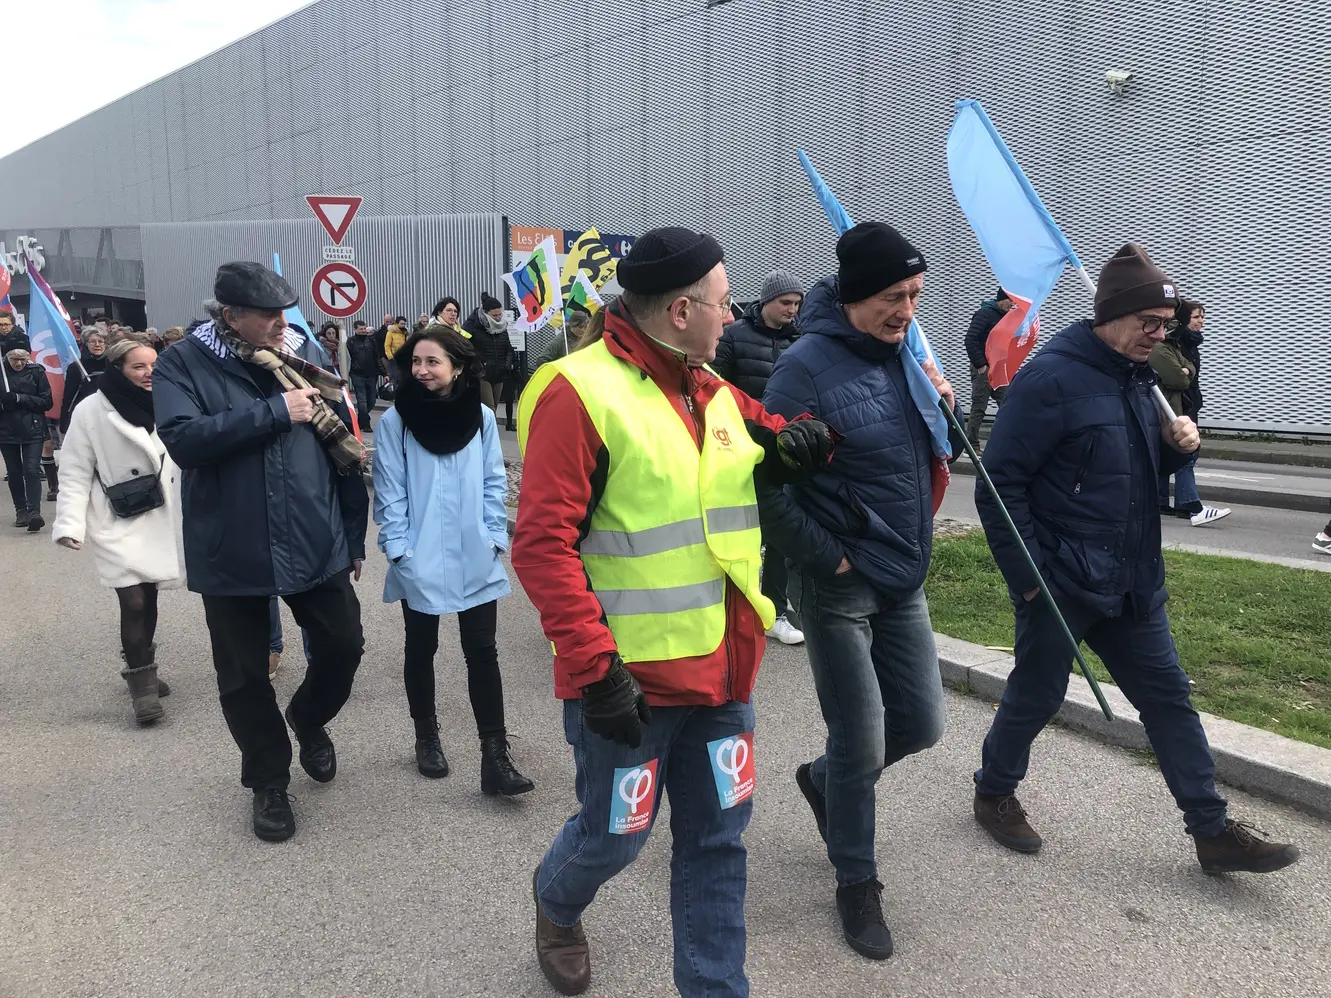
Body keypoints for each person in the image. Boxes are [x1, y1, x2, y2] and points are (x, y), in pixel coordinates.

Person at [513, 227, 833, 998]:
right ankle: (557, 905)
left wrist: (800, 443)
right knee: (615, 838)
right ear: (683, 309)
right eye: (725, 306)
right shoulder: (576, 391)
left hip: (725, 676)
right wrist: (595, 670)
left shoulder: (710, 387)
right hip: (626, 686)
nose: (735, 318)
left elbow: (765, 433)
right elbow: (540, 546)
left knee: (719, 844)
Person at [972, 243, 1299, 875]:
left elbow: (1132, 473)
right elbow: (998, 485)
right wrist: (1031, 580)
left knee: (1169, 699)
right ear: (1111, 315)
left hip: (1132, 581)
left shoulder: (1140, 378)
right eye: (1149, 322)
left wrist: (1175, 451)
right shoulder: (1051, 379)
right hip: (1062, 579)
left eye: (1167, 324)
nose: (1160, 334)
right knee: (1037, 695)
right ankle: (993, 791)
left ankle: (1211, 831)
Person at [760, 221, 961, 961]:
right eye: (890, 296)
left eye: (912, 295)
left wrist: (945, 406)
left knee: (922, 724)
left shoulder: (907, 354)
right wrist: (830, 561)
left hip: (902, 573)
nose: (905, 310)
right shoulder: (801, 371)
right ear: (850, 296)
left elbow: (927, 454)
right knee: (860, 738)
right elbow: (767, 492)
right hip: (839, 584)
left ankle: (822, 783)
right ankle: (855, 881)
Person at [153, 261, 369, 844]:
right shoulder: (182, 363)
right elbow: (183, 441)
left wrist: (352, 536)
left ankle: (308, 717)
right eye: (269, 315)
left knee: (344, 646)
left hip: (312, 536)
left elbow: (342, 450)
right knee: (244, 677)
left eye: (284, 311)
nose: (283, 323)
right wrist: (274, 412)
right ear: (231, 316)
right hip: (232, 546)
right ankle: (269, 781)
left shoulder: (303, 361)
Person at [373, 325, 533, 795]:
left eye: (432, 362)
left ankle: (495, 756)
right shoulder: (396, 422)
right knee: (421, 648)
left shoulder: (480, 418)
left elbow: (491, 480)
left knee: (482, 651)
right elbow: (389, 493)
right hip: (417, 553)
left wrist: (491, 538)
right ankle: (427, 735)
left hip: (473, 552)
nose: (421, 370)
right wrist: (400, 550)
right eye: (416, 362)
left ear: (457, 366)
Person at [53, 338, 185, 724]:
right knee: (134, 602)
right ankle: (142, 691)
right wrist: (69, 523)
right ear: (117, 369)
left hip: (161, 515)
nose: (149, 374)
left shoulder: (169, 399)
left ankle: (145, 664)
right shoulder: (90, 410)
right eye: (138, 367)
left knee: (151, 595)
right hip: (117, 517)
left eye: (153, 365)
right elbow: (75, 470)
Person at [714, 269, 805, 646]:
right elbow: (713, 386)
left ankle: (776, 611)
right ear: (766, 301)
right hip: (735, 449)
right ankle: (730, 605)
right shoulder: (733, 336)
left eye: (797, 304)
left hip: (782, 453)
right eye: (786, 302)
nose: (792, 311)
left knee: (781, 533)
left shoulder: (801, 341)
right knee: (739, 531)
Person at [1150, 299, 1229, 526]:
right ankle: (1190, 505)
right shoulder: (1169, 344)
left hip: (1185, 404)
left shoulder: (1182, 344)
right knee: (1186, 453)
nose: (1201, 321)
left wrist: (1186, 370)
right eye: (1196, 317)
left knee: (1168, 452)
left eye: (1203, 317)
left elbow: (1188, 370)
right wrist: (1184, 372)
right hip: (1172, 406)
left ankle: (1161, 501)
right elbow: (1178, 378)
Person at [1, 348, 53, 531]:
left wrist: (19, 398)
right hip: (6, 430)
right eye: (14, 359)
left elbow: (47, 402)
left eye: (23, 359)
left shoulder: (36, 372)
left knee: (31, 470)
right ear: (6, 358)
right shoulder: (1, 372)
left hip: (33, 428)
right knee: (14, 472)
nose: (18, 363)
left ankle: (34, 512)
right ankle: (21, 510)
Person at [963, 288, 1015, 449]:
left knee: (1007, 404)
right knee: (979, 407)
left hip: (999, 368)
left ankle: (1006, 442)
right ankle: (972, 445)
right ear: (1000, 299)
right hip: (983, 368)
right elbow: (970, 340)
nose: (1012, 304)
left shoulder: (1007, 317)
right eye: (1009, 300)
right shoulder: (984, 314)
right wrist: (981, 365)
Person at [463, 292, 515, 414]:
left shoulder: (502, 328)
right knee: (489, 409)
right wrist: (478, 362)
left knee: (493, 409)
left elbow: (508, 348)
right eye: (494, 315)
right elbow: (465, 345)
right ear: (486, 313)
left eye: (499, 314)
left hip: (499, 372)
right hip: (482, 373)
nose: (498, 318)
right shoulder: (474, 326)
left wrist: (506, 365)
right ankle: (488, 432)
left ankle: (485, 430)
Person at [59, 328, 109, 437]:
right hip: (85, 417)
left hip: (109, 416)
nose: (97, 345)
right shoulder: (76, 367)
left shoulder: (113, 365)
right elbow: (69, 397)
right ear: (86, 344)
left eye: (100, 341)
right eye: (93, 342)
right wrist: (64, 423)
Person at [346, 319, 383, 432]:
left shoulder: (371, 341)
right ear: (355, 329)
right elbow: (347, 358)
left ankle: (361, 420)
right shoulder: (350, 342)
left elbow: (377, 357)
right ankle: (366, 424)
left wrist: (384, 372)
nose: (363, 331)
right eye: (361, 329)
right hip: (357, 375)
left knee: (372, 400)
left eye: (364, 329)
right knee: (362, 401)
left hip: (371, 374)